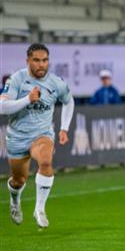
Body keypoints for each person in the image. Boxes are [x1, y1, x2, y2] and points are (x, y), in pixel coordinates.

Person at [0, 43, 75, 228]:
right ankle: (15, 200)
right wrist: (27, 99)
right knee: (18, 180)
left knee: (46, 162)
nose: (41, 64)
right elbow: (2, 107)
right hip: (17, 138)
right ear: (28, 61)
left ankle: (39, 209)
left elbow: (69, 101)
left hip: (42, 134)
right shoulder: (16, 79)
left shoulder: (55, 82)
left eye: (45, 60)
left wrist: (64, 128)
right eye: (36, 60)